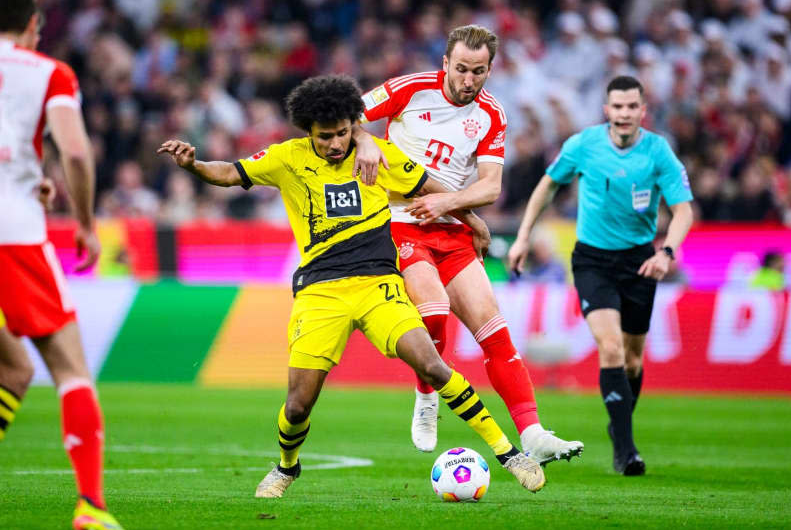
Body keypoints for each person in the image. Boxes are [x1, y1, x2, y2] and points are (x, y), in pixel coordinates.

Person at [158, 75, 547, 499]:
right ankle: (287, 467)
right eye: (326, 137)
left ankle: (510, 456)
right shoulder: (286, 158)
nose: (336, 143)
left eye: (344, 133)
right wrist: (194, 166)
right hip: (321, 292)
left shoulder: (376, 154)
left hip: (379, 285)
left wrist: (472, 219)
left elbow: (426, 184)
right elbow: (231, 173)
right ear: (308, 131)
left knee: (433, 366)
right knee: (297, 405)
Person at [352, 24, 583, 463]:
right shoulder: (411, 88)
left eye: (478, 72)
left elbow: (490, 187)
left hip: (452, 230)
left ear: (489, 70)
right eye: (460, 69)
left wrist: (453, 205)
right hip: (399, 222)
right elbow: (348, 115)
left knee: (494, 332)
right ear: (445, 64)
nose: (468, 80)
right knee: (434, 313)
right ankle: (426, 395)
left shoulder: (492, 114)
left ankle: (532, 432)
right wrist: (365, 138)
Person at [507, 75, 694, 476]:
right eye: (618, 106)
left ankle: (619, 422)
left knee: (632, 360)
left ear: (643, 111)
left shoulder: (659, 152)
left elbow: (683, 210)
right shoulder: (583, 145)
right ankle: (626, 451)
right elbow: (547, 186)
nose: (624, 114)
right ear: (606, 110)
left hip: (641, 261)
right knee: (610, 348)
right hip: (592, 260)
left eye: (632, 107)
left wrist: (667, 252)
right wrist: (523, 236)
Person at [0, 1, 125, 530]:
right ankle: (91, 507)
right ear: (31, 24)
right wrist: (85, 222)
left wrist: (31, 181)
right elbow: (74, 151)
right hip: (14, 237)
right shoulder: (49, 71)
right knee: (71, 371)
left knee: (13, 369)